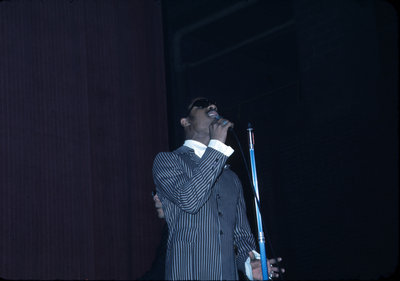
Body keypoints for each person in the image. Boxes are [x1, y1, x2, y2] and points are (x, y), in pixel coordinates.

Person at [153, 97, 283, 280]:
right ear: (185, 121)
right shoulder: (168, 161)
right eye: (202, 104)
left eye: (214, 105)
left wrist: (249, 263)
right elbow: (189, 200)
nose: (212, 106)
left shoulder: (231, 178)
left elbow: (241, 235)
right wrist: (217, 146)